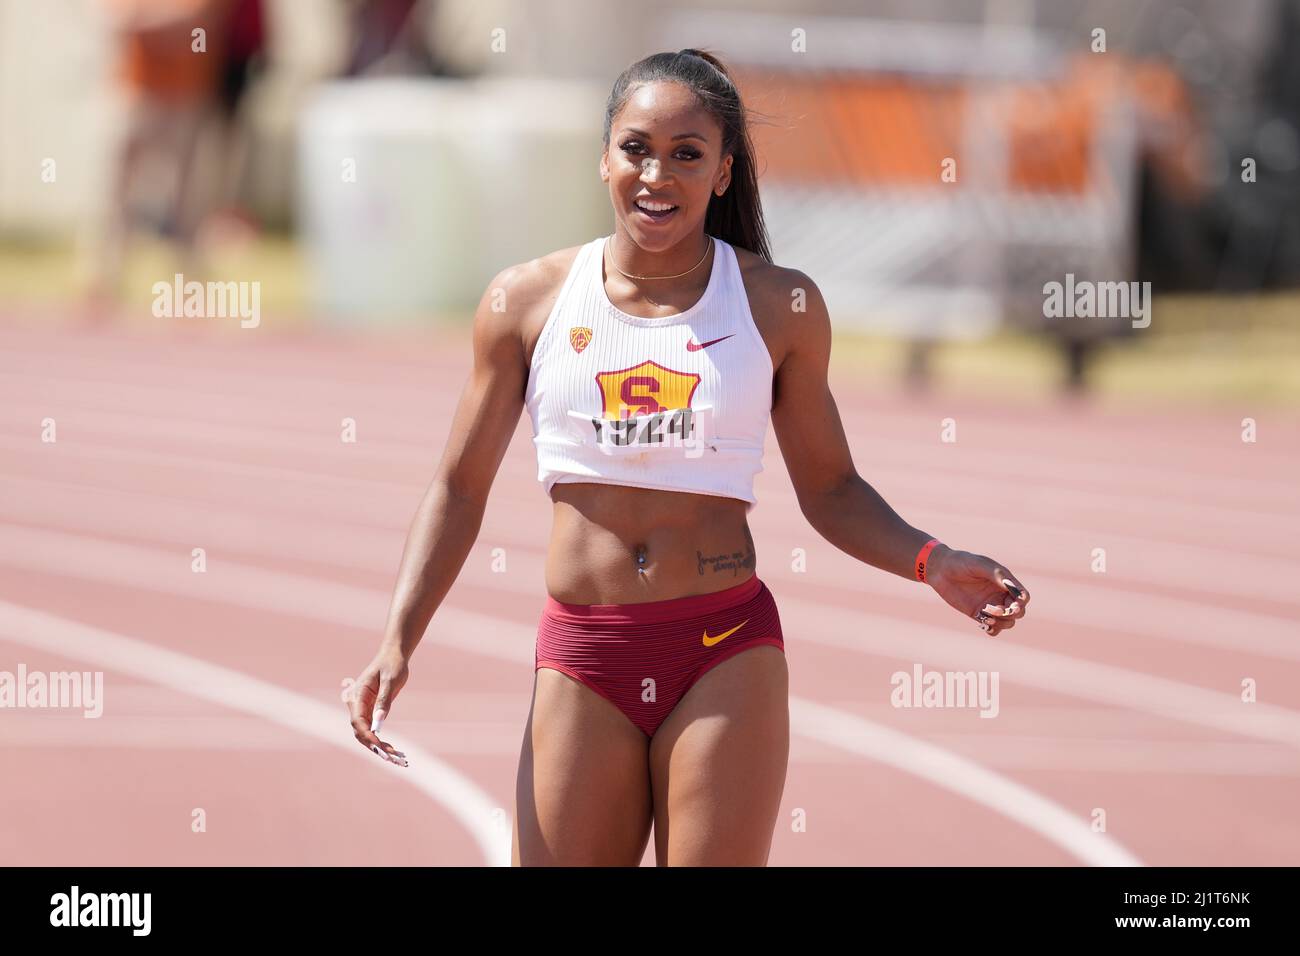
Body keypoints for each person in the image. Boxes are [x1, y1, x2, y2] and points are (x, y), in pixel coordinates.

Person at [347, 49, 1030, 866]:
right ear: (603, 155)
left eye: (686, 154)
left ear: (722, 172)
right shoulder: (523, 304)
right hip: (586, 653)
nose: (655, 175)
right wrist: (398, 638)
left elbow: (833, 487)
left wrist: (932, 559)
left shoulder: (781, 306)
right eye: (636, 147)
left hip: (724, 648)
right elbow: (459, 487)